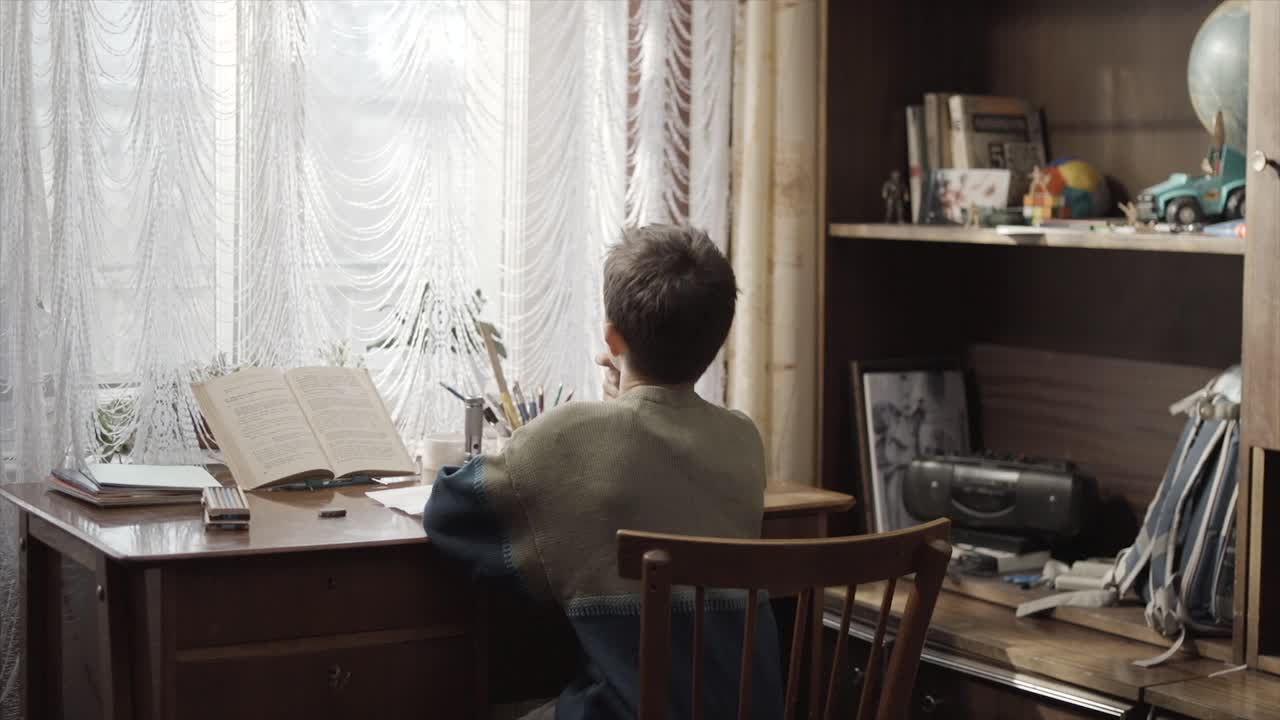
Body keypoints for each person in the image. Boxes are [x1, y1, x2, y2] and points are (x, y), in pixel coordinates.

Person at [424, 225, 782, 720]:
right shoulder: (743, 439)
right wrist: (633, 404)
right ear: (717, 340)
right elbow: (657, 453)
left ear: (613, 338)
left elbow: (447, 515)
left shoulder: (569, 436)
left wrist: (621, 412)